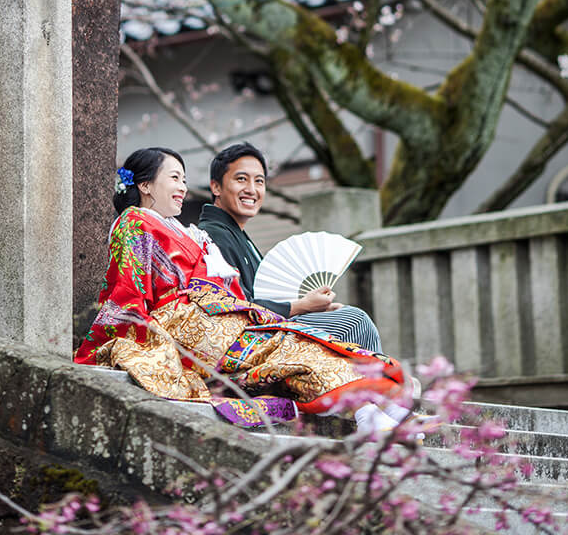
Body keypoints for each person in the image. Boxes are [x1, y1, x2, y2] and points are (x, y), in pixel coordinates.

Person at [75, 147, 415, 431]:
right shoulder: (134, 222)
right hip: (185, 323)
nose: (182, 186)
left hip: (216, 316)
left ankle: (368, 406)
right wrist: (130, 336)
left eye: (183, 178)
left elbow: (216, 285)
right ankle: (366, 409)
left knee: (292, 347)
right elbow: (128, 289)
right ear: (146, 185)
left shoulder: (185, 231)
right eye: (174, 178)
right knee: (287, 347)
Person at [198, 142, 383, 353]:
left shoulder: (233, 233)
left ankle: (379, 381)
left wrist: (316, 308)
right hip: (247, 341)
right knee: (353, 322)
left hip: (267, 327)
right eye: (241, 179)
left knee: (346, 314)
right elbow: (237, 306)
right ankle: (382, 382)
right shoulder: (212, 235)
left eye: (259, 181)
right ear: (216, 187)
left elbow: (265, 298)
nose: (252, 189)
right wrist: (302, 306)